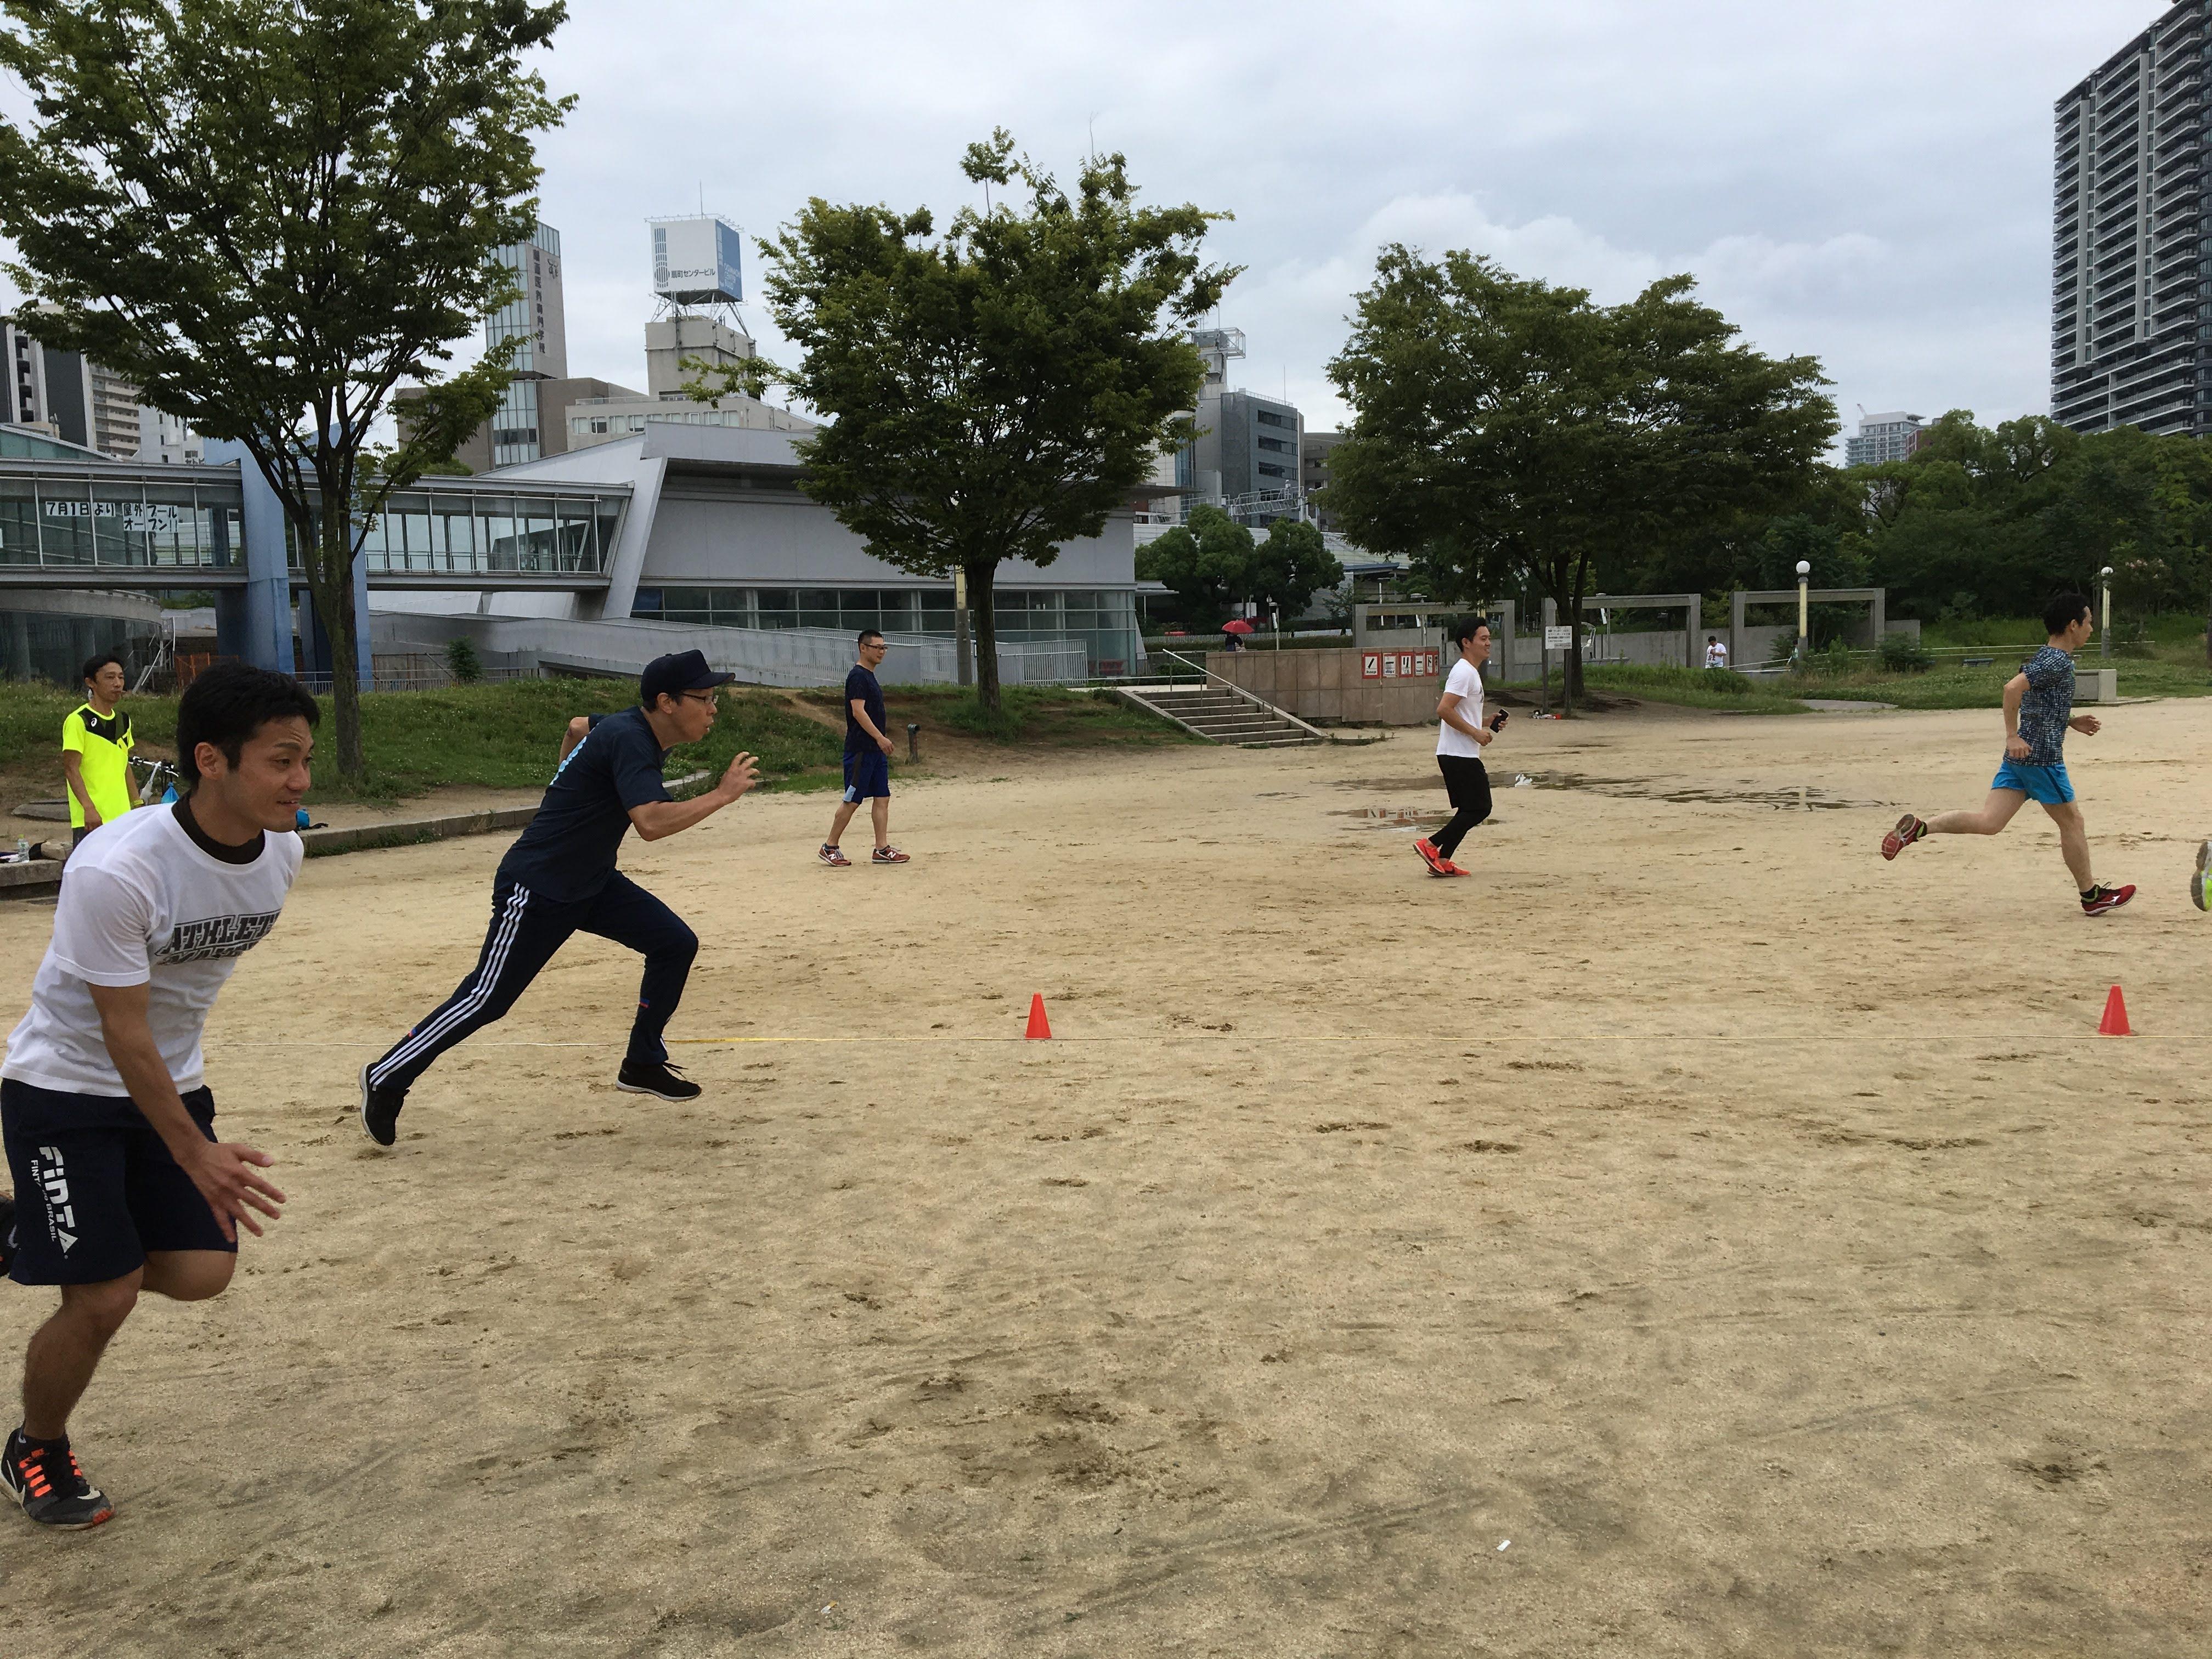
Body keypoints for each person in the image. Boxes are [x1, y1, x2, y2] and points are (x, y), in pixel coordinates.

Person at [1, 663, 312, 1529]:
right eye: (281, 761)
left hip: (171, 1085)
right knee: (105, 1293)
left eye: (305, 759)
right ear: (211, 760)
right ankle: (35, 1447)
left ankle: (26, 1227)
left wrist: (185, 1131)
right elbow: (122, 1031)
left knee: (204, 1273)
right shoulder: (117, 870)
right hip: (64, 1090)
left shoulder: (283, 852)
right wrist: (194, 1151)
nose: (300, 781)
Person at [359, 651, 758, 1140]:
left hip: (591, 882)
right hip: (538, 886)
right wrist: (722, 794)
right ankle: (385, 1076)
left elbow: (575, 727)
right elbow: (651, 823)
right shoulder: (630, 738)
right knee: (486, 999)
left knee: (674, 943)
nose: (714, 709)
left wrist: (566, 779)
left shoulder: (630, 728)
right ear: (667, 702)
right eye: (705, 698)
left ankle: (642, 1062)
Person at [1881, 591, 2134, 915]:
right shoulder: (2057, 661)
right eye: (2089, 622)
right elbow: (2012, 689)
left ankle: (1920, 828)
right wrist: (2012, 735)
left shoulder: (2046, 656)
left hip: (2020, 759)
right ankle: (2091, 896)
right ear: (2073, 625)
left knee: (1990, 822)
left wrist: (2070, 721)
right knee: (2073, 822)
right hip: (2041, 758)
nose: (2091, 629)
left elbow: (2038, 701)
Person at [1415, 617, 1507, 878]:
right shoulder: (1464, 672)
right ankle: (1430, 844)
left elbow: (1460, 713)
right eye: (1483, 639)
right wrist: (1476, 733)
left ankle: (1443, 860)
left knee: (1470, 809)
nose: (1488, 643)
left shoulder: (1470, 672)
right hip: (1458, 754)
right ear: (1467, 643)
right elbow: (1444, 709)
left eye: (1489, 638)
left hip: (1458, 753)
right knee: (1480, 808)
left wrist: (1485, 722)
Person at [819, 629, 909, 868]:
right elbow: (858, 712)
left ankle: (882, 849)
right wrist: (880, 738)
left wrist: (879, 742)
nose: (882, 652)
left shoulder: (870, 676)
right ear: (863, 648)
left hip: (875, 751)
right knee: (853, 799)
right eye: (877, 647)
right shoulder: (858, 676)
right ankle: (829, 847)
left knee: (882, 796)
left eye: (884, 647)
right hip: (861, 749)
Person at [61, 653, 137, 849]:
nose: (117, 684)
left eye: (121, 677)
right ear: (91, 682)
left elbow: (124, 765)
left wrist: (137, 805)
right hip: (92, 820)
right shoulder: (78, 720)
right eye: (110, 677)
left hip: (123, 819)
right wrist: (89, 808)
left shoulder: (123, 720)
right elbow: (71, 769)